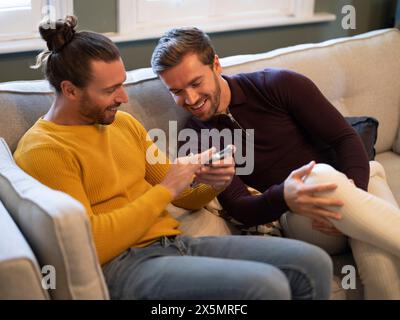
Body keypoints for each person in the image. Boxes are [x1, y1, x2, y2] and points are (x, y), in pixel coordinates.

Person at [13, 16, 333, 300]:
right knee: (265, 285)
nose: (123, 98)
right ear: (69, 90)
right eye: (111, 90)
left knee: (313, 262)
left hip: (173, 244)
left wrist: (215, 182)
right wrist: (166, 188)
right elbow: (90, 246)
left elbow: (188, 198)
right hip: (121, 267)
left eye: (122, 84)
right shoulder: (45, 151)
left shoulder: (124, 125)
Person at [151, 27, 400, 299]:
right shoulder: (196, 141)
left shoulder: (278, 85)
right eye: (176, 91)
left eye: (196, 83)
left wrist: (355, 194)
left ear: (216, 65)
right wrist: (286, 195)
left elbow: (344, 138)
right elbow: (241, 208)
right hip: (306, 220)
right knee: (319, 175)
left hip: (354, 192)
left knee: (381, 268)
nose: (190, 99)